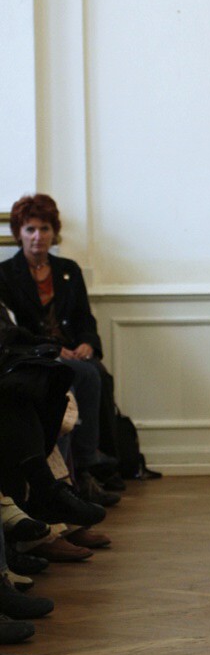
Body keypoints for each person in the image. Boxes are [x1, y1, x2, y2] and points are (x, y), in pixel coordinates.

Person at [0, 194, 121, 498]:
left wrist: (88, 344)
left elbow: (85, 318)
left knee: (94, 371)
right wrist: (52, 349)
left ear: (54, 233)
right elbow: (13, 330)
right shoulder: (5, 274)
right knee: (81, 376)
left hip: (72, 351)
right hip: (35, 355)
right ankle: (76, 474)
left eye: (45, 229)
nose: (38, 236)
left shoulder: (69, 269)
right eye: (30, 229)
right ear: (18, 233)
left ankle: (86, 469)